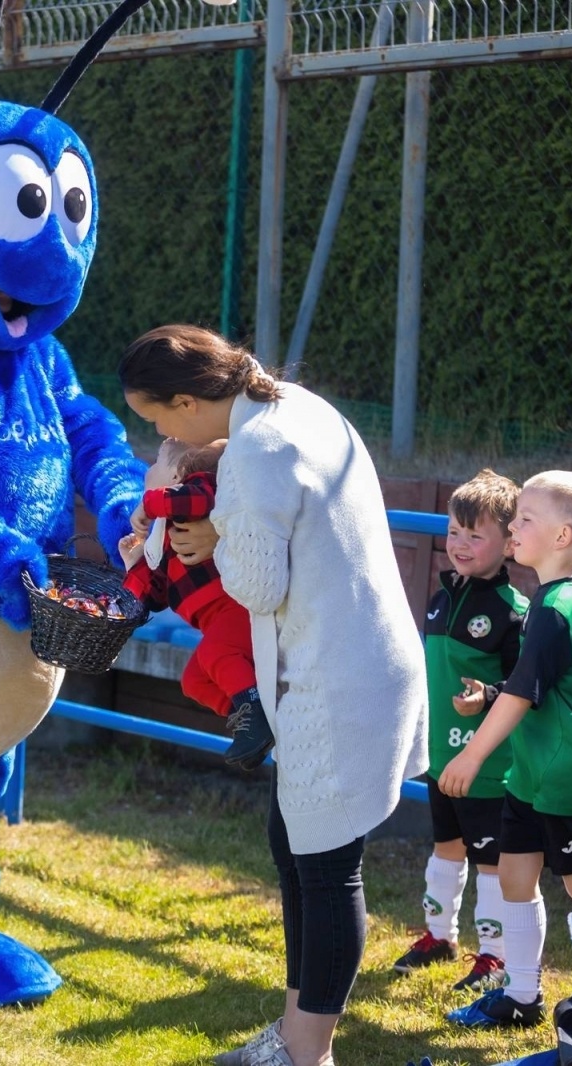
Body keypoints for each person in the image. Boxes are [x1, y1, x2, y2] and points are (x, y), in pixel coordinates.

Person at [118, 324, 426, 1066]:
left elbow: (258, 584)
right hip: (350, 661)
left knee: (324, 868)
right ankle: (293, 1037)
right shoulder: (290, 404)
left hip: (333, 676)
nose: (158, 433)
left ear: (189, 400)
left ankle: (307, 1053)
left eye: (157, 419)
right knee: (294, 848)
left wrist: (208, 533)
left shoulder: (259, 450)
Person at [440, 470, 572, 1029]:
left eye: (524, 520)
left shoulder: (552, 609)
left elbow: (526, 691)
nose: (512, 527)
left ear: (562, 538)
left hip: (567, 775)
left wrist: (471, 755)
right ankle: (522, 998)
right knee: (515, 877)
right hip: (533, 771)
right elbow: (540, 674)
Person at [393, 470, 528, 994]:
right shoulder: (441, 594)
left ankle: (492, 955)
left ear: (509, 544)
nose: (460, 545)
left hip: (485, 764)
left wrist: (485, 698)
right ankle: (438, 936)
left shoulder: (513, 612)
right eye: (454, 532)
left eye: (476, 536)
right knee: (445, 845)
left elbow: (521, 690)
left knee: (490, 860)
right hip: (437, 753)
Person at [118, 437, 269, 769]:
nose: (148, 470)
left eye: (156, 463)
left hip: (235, 610)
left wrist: (148, 502)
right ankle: (257, 722)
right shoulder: (163, 536)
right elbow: (155, 595)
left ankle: (254, 710)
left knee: (217, 654)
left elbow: (196, 500)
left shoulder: (199, 486)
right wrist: (133, 566)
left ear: (177, 473)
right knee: (194, 681)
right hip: (215, 625)